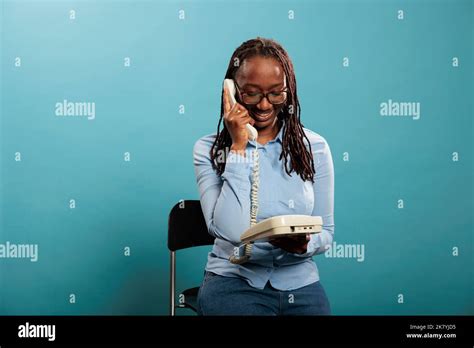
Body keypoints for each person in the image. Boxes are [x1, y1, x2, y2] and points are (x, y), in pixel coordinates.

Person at [193, 37, 335, 315]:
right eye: (252, 93)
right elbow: (232, 232)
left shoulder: (313, 147)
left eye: (275, 93)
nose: (264, 105)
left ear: (289, 92)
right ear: (232, 92)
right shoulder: (208, 150)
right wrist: (238, 147)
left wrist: (305, 245)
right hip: (233, 281)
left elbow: (327, 233)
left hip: (300, 283)